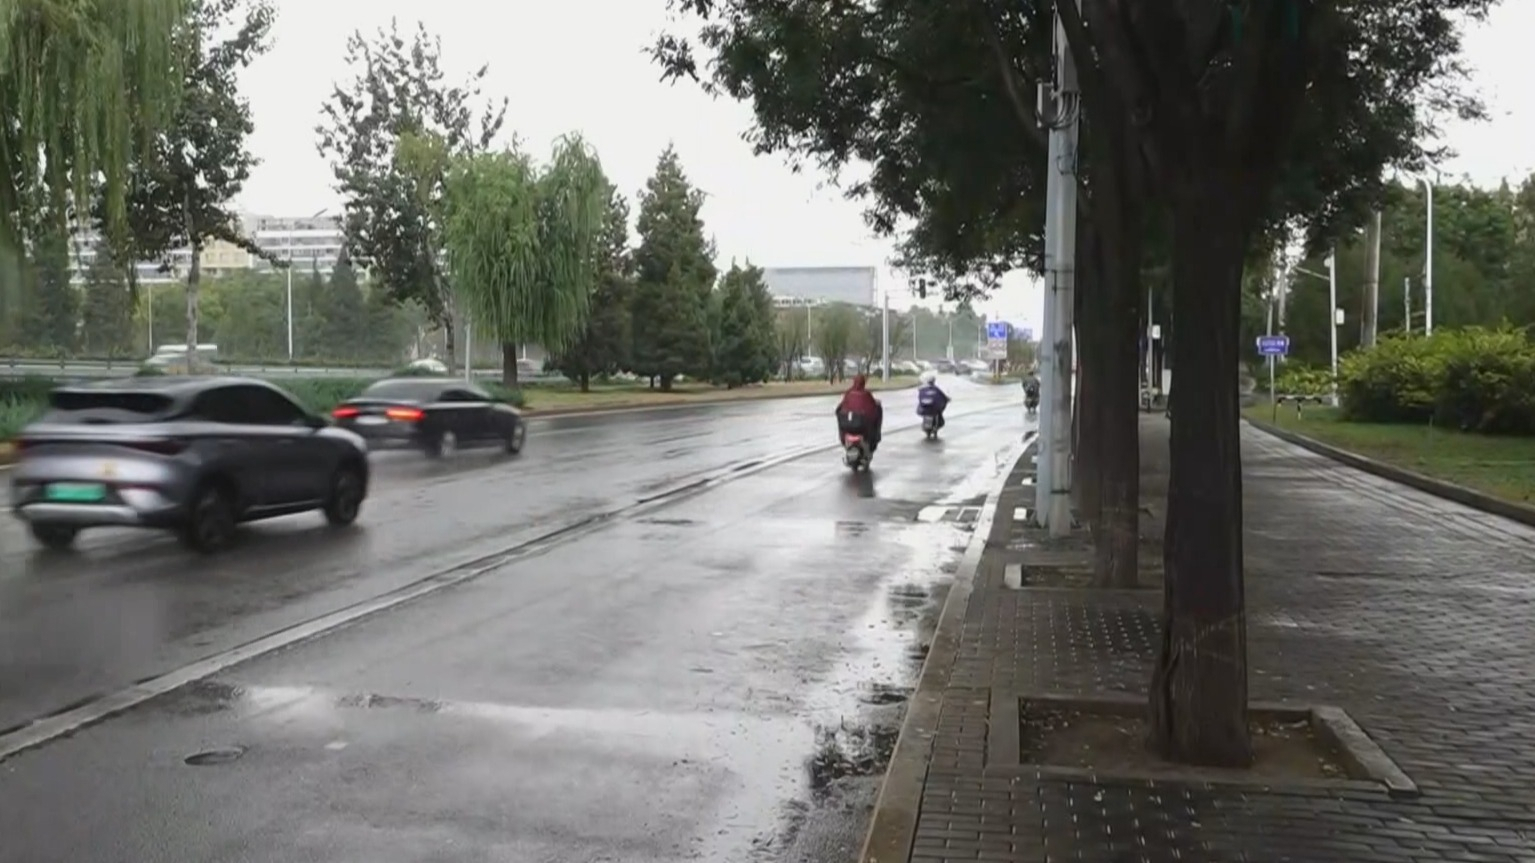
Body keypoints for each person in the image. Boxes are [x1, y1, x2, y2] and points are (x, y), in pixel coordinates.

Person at [835, 373, 884, 452]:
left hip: (848, 426)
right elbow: (872, 410)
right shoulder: (866, 394)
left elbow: (841, 407)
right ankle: (875, 438)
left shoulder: (849, 393)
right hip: (863, 426)